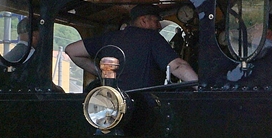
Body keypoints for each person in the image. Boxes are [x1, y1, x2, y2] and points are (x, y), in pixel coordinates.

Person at [65, 5, 198, 90]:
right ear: (144, 20)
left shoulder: (109, 37)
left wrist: (103, 75)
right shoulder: (152, 37)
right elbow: (177, 66)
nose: (158, 26)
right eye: (156, 21)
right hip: (146, 108)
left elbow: (71, 50)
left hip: (112, 106)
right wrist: (200, 86)